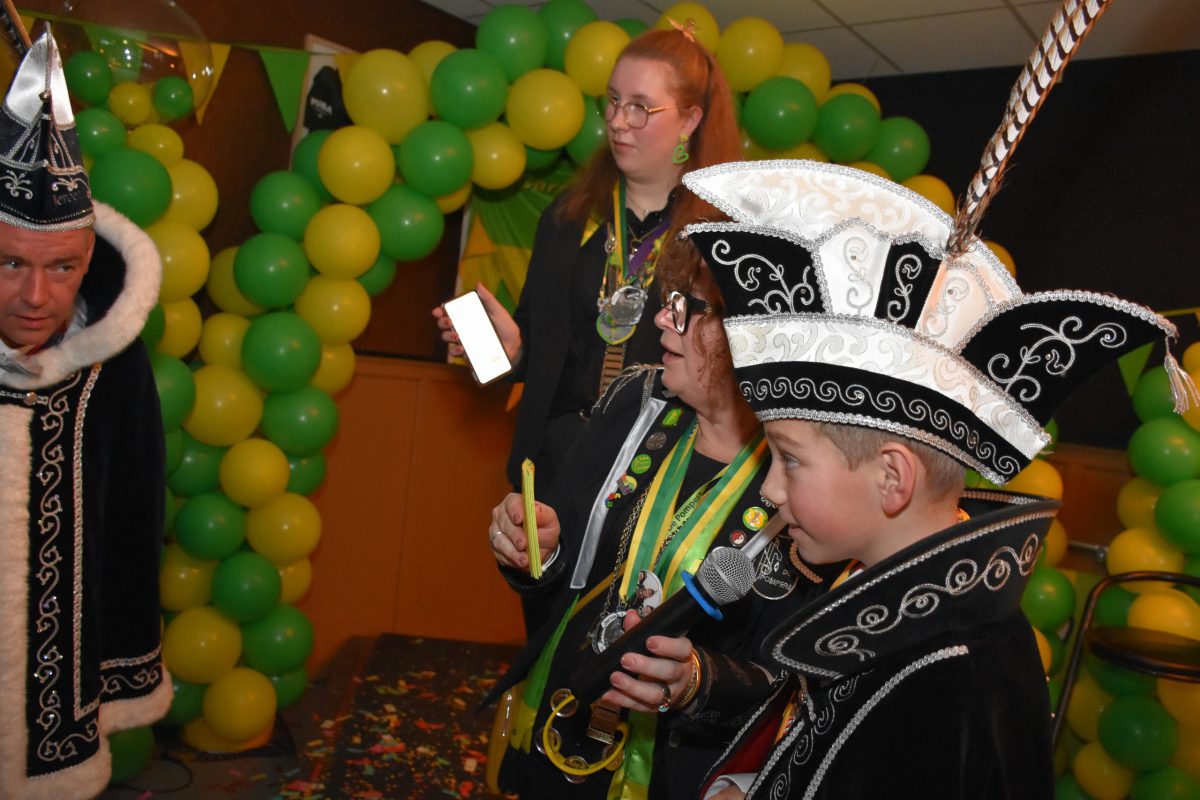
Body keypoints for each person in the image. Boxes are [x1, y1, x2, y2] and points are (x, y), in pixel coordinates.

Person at [674, 157, 1191, 798]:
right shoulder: (872, 596)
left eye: (790, 458)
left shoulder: (954, 675)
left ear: (893, 477)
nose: (771, 489)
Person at [481, 241, 844, 800]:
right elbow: (561, 571)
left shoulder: (807, 478)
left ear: (751, 334)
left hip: (675, 774)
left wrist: (696, 681)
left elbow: (793, 682)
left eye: (688, 307)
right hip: (559, 723)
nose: (660, 319)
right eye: (671, 300)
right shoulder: (637, 401)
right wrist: (536, 549)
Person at [435, 23, 742, 492]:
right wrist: (513, 352)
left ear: (689, 120)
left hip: (656, 479)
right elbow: (544, 353)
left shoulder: (720, 238)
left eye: (640, 107)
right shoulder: (568, 218)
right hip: (555, 469)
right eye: (613, 101)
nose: (618, 120)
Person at [0, 33, 169, 799]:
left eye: (61, 267)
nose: (36, 296)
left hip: (55, 702)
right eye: (10, 263)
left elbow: (131, 518)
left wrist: (122, 665)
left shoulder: (113, 367)